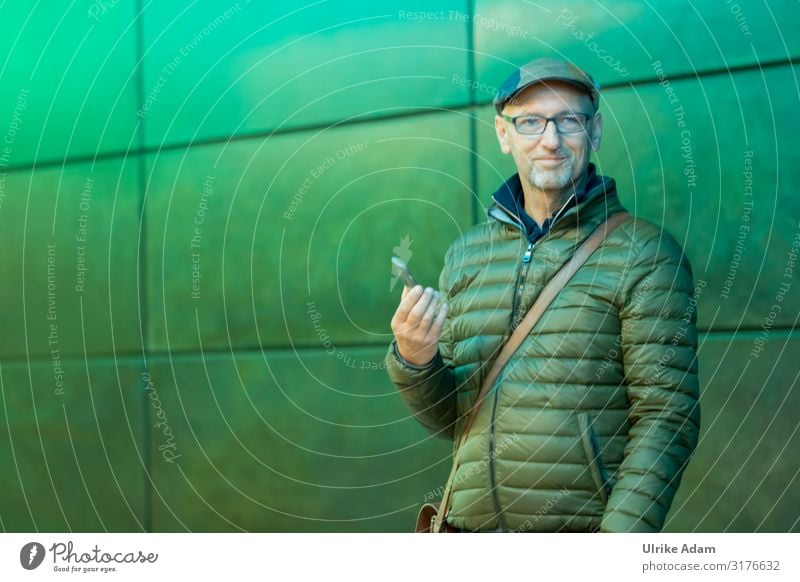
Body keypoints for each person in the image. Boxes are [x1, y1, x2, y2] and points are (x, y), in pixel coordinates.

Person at [385, 58, 701, 533]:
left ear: (594, 131)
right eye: (530, 121)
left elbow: (667, 417)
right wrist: (415, 360)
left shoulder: (646, 254)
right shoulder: (466, 255)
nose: (550, 140)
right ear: (503, 133)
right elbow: (453, 420)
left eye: (568, 121)